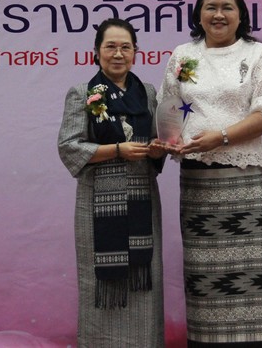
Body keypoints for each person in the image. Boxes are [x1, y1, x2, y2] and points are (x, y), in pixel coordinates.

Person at [158, 0, 262, 347]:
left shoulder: (259, 55)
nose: (219, 14)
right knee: (204, 284)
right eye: (211, 7)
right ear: (198, 14)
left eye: (227, 7)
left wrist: (222, 137)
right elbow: (169, 109)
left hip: (241, 183)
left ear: (240, 15)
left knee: (247, 281)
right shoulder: (183, 55)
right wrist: (169, 142)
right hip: (197, 185)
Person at [58, 18, 166, 348]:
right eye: (110, 47)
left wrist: (158, 148)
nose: (118, 54)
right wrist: (117, 149)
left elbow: (158, 138)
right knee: (99, 286)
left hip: (143, 200)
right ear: (96, 52)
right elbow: (69, 146)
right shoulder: (83, 93)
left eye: (125, 47)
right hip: (97, 205)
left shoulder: (148, 93)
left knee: (144, 283)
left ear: (135, 52)